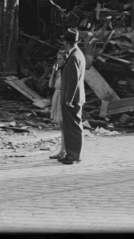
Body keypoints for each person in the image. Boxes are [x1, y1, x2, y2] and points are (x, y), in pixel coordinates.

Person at [58, 28, 86, 165]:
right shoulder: (77, 54)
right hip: (74, 97)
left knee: (73, 127)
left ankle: (74, 155)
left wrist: (69, 99)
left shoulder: (74, 56)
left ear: (66, 42)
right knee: (71, 126)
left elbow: (73, 81)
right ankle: (71, 154)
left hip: (72, 99)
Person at [48, 49, 68, 159]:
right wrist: (53, 72)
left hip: (62, 96)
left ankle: (64, 150)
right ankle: (62, 150)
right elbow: (51, 85)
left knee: (64, 125)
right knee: (61, 125)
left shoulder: (67, 72)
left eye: (60, 59)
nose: (58, 61)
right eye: (57, 59)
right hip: (57, 94)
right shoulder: (59, 71)